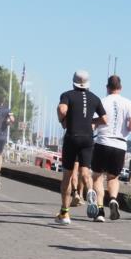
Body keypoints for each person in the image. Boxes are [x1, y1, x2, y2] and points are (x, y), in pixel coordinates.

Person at [55, 70, 106, 225]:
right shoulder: (95, 98)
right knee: (85, 172)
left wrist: (62, 120)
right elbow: (104, 119)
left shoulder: (67, 95)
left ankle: (64, 213)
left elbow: (62, 109)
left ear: (73, 82)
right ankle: (90, 192)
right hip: (87, 138)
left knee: (68, 176)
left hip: (72, 137)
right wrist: (92, 122)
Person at [89, 75, 131, 222]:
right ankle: (113, 200)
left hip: (103, 142)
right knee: (113, 177)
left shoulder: (102, 101)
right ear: (120, 88)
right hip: (120, 144)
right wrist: (126, 130)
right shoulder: (128, 103)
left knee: (97, 176)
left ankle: (100, 211)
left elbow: (94, 124)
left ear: (107, 87)